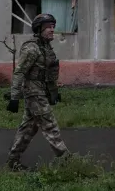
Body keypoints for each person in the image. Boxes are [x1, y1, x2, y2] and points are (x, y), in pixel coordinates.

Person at [6, 13, 70, 171]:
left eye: (53, 27)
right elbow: (19, 72)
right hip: (33, 92)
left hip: (41, 90)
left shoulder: (46, 47)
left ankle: (13, 161)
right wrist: (14, 97)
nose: (52, 30)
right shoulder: (32, 48)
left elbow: (49, 73)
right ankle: (68, 162)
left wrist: (54, 93)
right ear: (39, 29)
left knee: (28, 128)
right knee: (50, 125)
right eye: (48, 27)